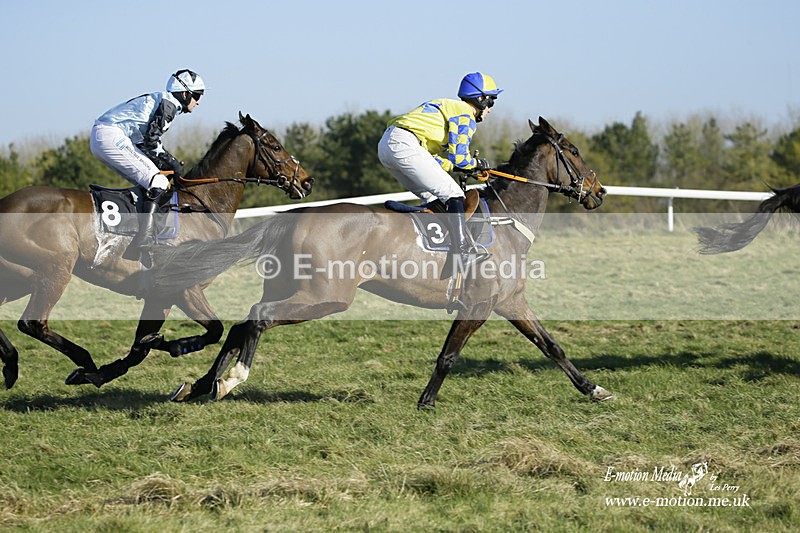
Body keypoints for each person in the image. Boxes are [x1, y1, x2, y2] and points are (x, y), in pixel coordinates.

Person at [377, 71, 502, 273]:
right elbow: (460, 158)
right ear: (480, 99)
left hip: (388, 146)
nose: (491, 109)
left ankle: (430, 250)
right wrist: (476, 164)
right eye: (491, 101)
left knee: (433, 198)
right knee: (454, 194)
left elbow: (434, 160)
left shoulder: (450, 107)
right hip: (404, 144)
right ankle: (462, 254)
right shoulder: (465, 113)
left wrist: (458, 166)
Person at [90, 69, 205, 258]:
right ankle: (143, 240)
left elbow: (146, 143)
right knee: (158, 182)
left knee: (151, 182)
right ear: (185, 94)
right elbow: (151, 143)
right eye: (197, 95)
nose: (198, 102)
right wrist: (172, 162)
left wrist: (165, 162)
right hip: (111, 136)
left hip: (106, 136)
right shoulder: (169, 105)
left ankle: (137, 232)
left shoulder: (165, 101)